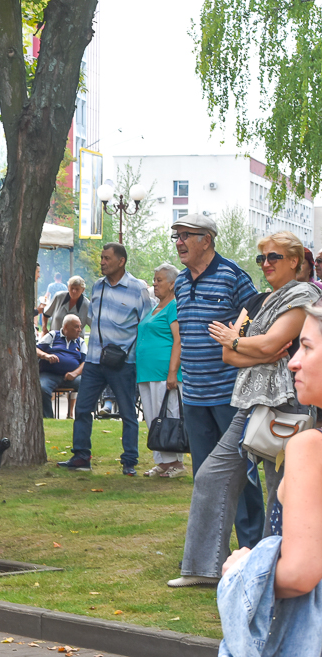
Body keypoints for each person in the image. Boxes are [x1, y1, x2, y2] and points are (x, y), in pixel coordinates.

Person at [169, 231, 320, 587]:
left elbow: (269, 343)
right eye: (262, 259)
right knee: (211, 477)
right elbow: (232, 355)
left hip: (288, 404)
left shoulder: (305, 296)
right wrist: (250, 347)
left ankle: (276, 569)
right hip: (250, 402)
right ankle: (203, 569)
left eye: (274, 258)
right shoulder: (256, 299)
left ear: (295, 261)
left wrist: (240, 341)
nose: (266, 264)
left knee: (281, 488)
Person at [217, 303, 322, 651]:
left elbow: (298, 574)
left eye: (306, 347)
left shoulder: (310, 447)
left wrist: (243, 567)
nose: (293, 361)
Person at [172, 213, 263, 549]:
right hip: (194, 395)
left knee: (240, 474)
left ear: (206, 239)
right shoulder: (180, 282)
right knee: (205, 477)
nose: (179, 242)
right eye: (176, 236)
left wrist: (234, 339)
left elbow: (259, 319)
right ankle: (211, 553)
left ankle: (252, 547)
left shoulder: (232, 276)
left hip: (230, 395)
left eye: (185, 235)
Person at [57, 243, 152, 475]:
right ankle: (81, 456)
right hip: (94, 360)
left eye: (107, 258)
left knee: (128, 413)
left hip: (123, 363)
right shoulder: (98, 286)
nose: (102, 262)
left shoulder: (138, 288)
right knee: (82, 409)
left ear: (121, 261)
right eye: (101, 257)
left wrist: (132, 355)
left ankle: (129, 461)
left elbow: (145, 325)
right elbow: (93, 319)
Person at [137, 264, 185, 478]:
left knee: (168, 415)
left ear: (172, 284)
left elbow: (178, 340)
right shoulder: (154, 307)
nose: (155, 284)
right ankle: (162, 462)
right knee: (153, 417)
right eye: (154, 280)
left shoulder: (173, 306)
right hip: (146, 372)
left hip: (164, 371)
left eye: (159, 280)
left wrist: (173, 372)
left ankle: (176, 462)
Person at [36, 315, 85, 420]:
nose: (79, 330)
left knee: (88, 385)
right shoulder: (53, 336)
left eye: (80, 327)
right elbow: (36, 349)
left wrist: (75, 373)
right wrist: (46, 355)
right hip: (50, 374)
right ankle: (48, 419)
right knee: (42, 388)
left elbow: (85, 362)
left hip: (72, 376)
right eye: (76, 327)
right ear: (66, 327)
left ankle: (82, 418)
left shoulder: (80, 342)